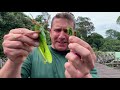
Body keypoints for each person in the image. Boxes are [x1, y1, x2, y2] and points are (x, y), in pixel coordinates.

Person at [0, 12, 98, 78]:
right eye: (57, 30)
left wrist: (85, 76)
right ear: (50, 32)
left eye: (67, 31)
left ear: (74, 34)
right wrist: (14, 61)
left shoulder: (84, 59)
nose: (62, 36)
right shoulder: (31, 53)